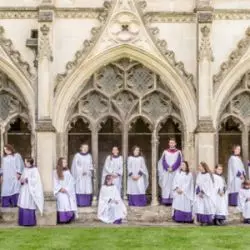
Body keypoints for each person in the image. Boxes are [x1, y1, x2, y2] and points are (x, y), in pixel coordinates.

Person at [18, 157, 44, 226]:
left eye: (26, 162)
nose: (25, 163)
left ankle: (29, 222)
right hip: (24, 189)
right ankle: (22, 222)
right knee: (23, 203)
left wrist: (27, 179)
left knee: (29, 204)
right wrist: (21, 180)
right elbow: (22, 177)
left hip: (30, 190)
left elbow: (36, 180)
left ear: (29, 162)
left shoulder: (35, 170)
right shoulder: (25, 169)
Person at [158, 138, 182, 205]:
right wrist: (167, 168)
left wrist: (173, 168)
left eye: (173, 143)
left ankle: (174, 199)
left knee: (174, 184)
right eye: (170, 143)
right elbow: (163, 161)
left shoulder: (178, 152)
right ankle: (166, 201)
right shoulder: (165, 152)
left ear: (175, 144)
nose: (171, 144)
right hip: (167, 172)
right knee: (166, 185)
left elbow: (178, 161)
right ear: (169, 144)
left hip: (175, 172)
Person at [54, 157, 77, 224]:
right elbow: (54, 182)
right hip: (59, 191)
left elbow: (71, 182)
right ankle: (61, 219)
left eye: (66, 162)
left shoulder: (67, 172)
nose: (66, 163)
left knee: (67, 200)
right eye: (64, 162)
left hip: (67, 191)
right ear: (60, 163)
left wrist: (66, 189)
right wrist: (60, 188)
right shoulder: (55, 172)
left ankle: (68, 219)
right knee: (62, 199)